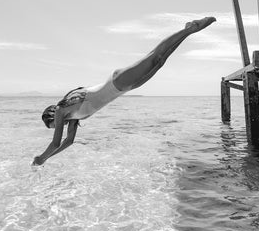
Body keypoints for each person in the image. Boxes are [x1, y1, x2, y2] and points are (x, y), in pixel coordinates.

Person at [32, 16, 216, 165]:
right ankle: (187, 32)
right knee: (159, 62)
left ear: (51, 115)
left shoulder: (60, 110)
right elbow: (68, 142)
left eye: (54, 126)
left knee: (153, 57)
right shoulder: (72, 118)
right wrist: (48, 158)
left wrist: (42, 158)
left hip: (117, 81)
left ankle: (190, 29)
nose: (58, 127)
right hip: (124, 89)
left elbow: (56, 142)